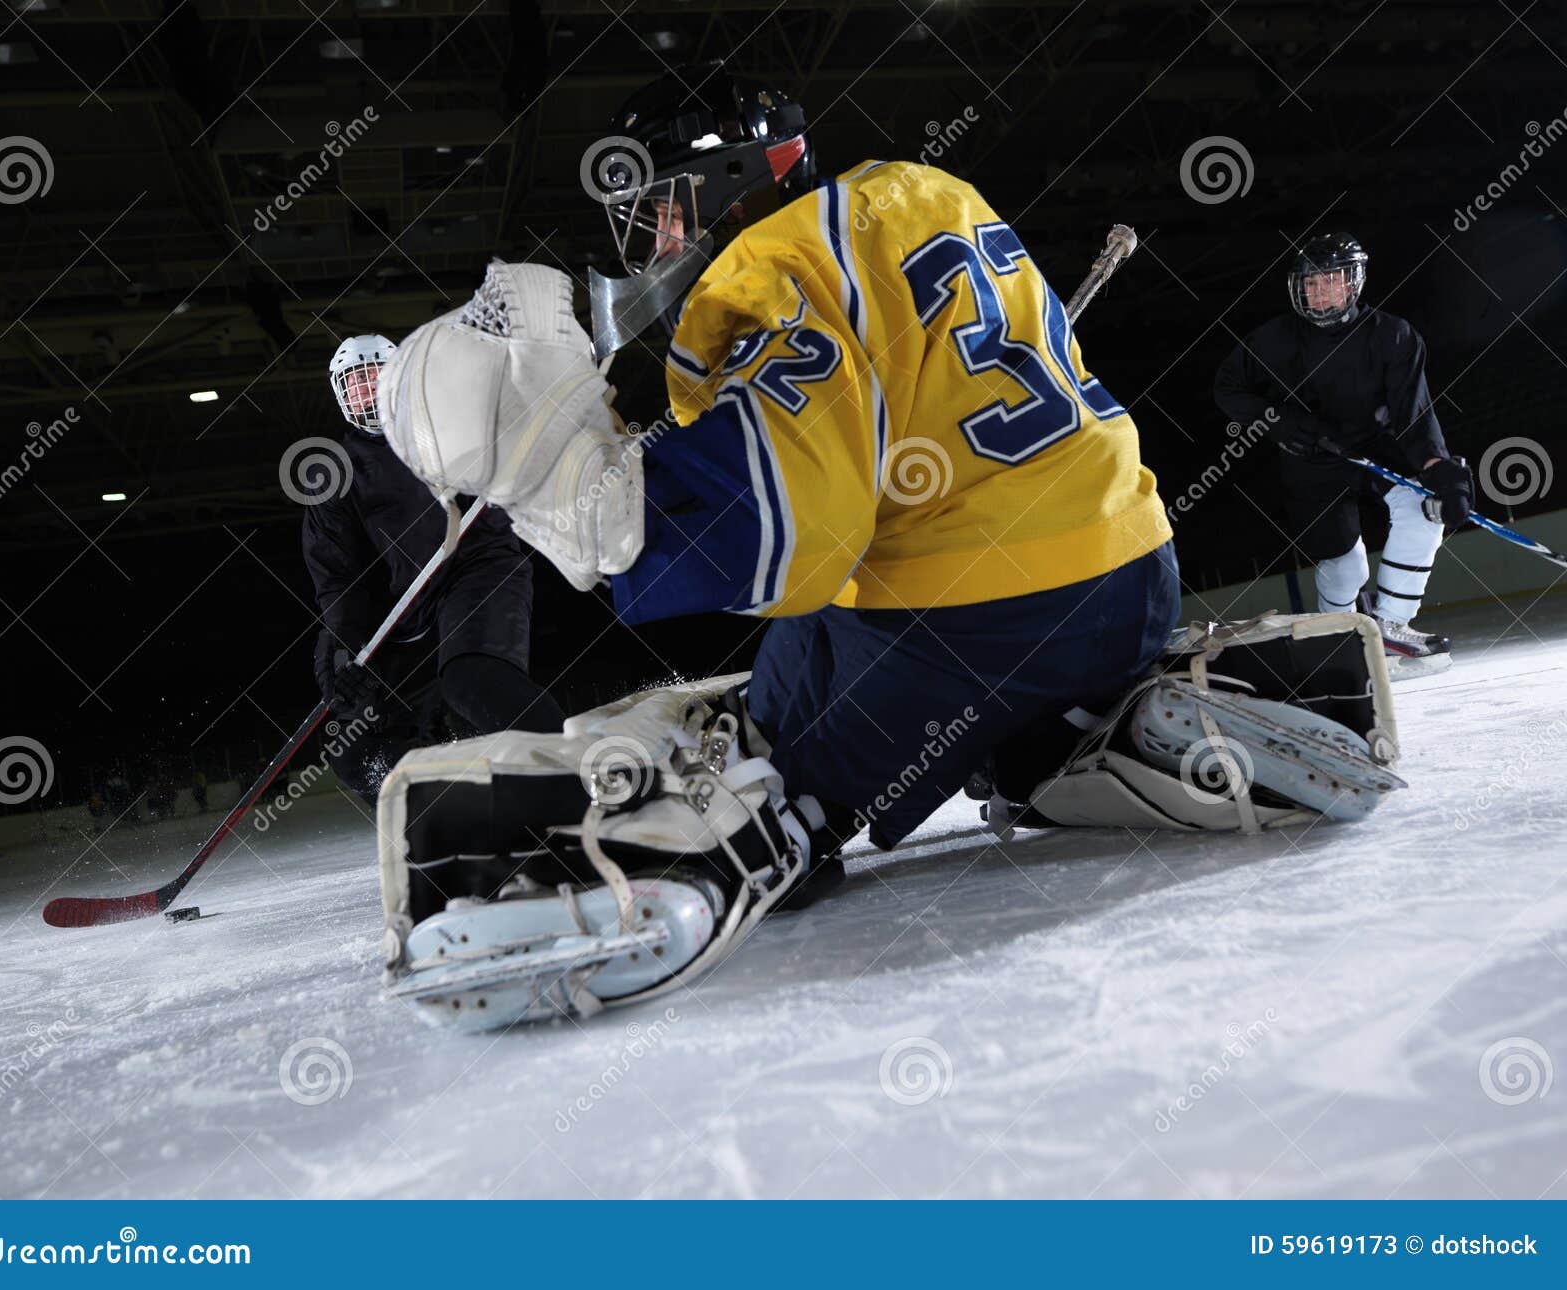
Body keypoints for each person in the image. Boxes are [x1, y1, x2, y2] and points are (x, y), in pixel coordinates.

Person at [365, 67, 1402, 1032]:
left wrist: (565, 478)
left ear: (734, 176)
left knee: (769, 765)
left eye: (669, 204)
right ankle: (1084, 731)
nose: (659, 237)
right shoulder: (918, 188)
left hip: (970, 618)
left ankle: (717, 855)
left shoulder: (763, 270)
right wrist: (676, 392)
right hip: (1130, 565)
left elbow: (794, 542)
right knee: (941, 718)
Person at [301, 333, 564, 803]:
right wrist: (343, 658)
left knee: (471, 680)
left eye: (373, 378)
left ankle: (571, 774)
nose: (365, 392)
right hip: (406, 615)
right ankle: (440, 802)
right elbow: (340, 582)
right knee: (350, 742)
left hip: (477, 571)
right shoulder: (337, 474)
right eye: (353, 384)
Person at [1213, 233, 1473, 665]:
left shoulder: (1393, 336)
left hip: (1376, 446)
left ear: (1352, 283)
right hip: (1311, 456)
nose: (1315, 292)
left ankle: (1391, 625)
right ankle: (1338, 639)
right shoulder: (1274, 340)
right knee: (1348, 567)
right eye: (1308, 284)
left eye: (1326, 281)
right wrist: (1281, 423)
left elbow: (1413, 413)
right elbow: (1227, 388)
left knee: (1425, 509)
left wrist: (1437, 467)